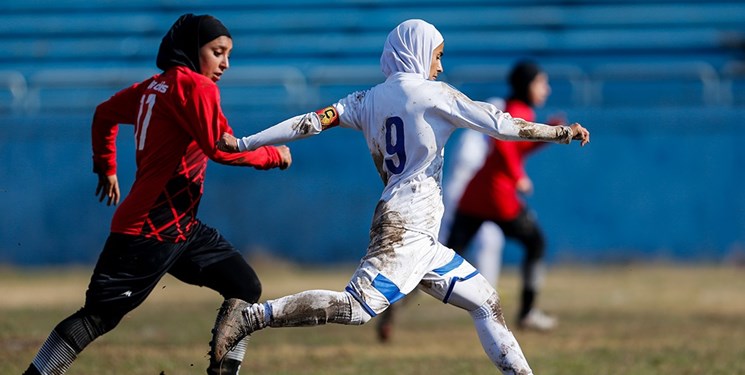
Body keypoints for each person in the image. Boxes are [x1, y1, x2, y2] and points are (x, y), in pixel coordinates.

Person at [210, 19, 589, 374]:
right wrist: (561, 133)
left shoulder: (366, 99)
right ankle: (251, 318)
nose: (439, 67)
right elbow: (503, 125)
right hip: (407, 229)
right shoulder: (436, 95)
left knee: (485, 302)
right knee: (356, 308)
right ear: (419, 51)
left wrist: (246, 141)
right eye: (437, 56)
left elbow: (309, 122)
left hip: (416, 233)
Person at [21, 14, 292, 375]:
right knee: (97, 318)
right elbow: (219, 149)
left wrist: (106, 166)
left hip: (180, 227)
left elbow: (104, 114)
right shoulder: (196, 88)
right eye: (217, 52)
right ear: (192, 51)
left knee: (244, 285)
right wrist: (274, 156)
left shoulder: (155, 86)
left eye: (228, 54)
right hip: (148, 231)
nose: (225, 63)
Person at [375, 97, 506, 343]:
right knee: (428, 262)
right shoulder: (476, 138)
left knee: (489, 242)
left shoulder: (491, 139)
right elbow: (466, 171)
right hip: (462, 202)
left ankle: (488, 311)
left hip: (477, 202)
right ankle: (394, 303)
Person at [447, 60, 565, 332]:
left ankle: (393, 309)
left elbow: (518, 148)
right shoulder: (516, 110)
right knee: (536, 243)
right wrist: (518, 176)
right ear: (527, 85)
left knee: (440, 256)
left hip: (475, 195)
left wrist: (548, 133)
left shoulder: (519, 109)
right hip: (497, 197)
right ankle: (527, 312)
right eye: (541, 83)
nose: (546, 89)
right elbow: (502, 144)